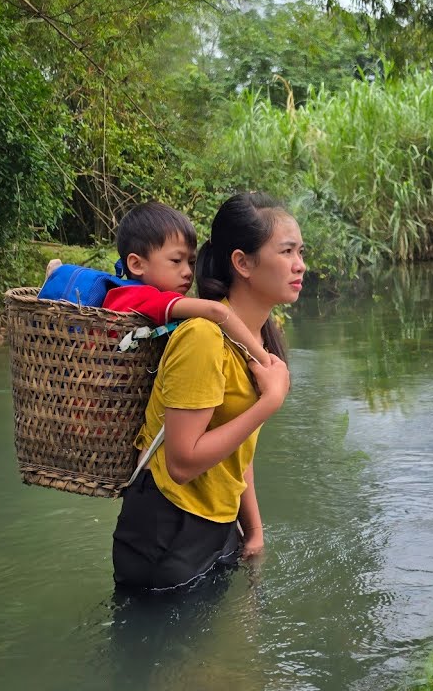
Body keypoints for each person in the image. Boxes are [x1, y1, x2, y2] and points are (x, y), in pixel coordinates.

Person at [112, 192, 304, 591]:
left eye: (301, 251)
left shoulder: (259, 341)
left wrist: (253, 528)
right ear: (242, 263)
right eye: (286, 251)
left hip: (218, 522)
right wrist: (268, 403)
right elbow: (183, 463)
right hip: (167, 530)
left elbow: (239, 445)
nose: (299, 265)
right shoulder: (203, 336)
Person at [44, 201, 270, 365]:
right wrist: (264, 360)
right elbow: (216, 311)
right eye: (176, 261)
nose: (187, 272)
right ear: (137, 264)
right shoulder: (140, 298)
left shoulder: (126, 294)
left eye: (191, 262)